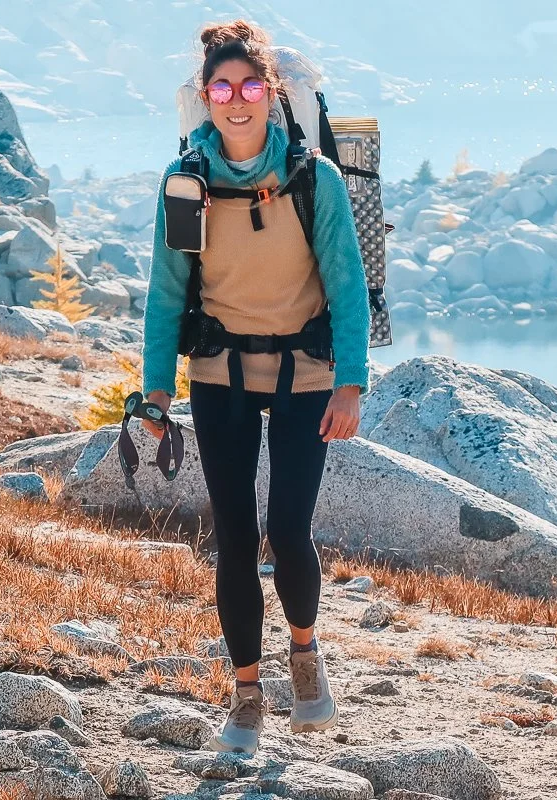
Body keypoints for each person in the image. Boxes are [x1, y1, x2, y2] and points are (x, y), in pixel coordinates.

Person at [140, 19, 371, 755]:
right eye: (221, 88)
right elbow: (165, 294)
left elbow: (348, 286)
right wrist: (154, 392)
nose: (235, 100)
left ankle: (303, 651)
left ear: (270, 94)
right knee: (235, 539)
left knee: (290, 531)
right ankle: (245, 698)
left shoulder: (315, 179)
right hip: (221, 375)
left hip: (306, 374)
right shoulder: (186, 185)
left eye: (248, 87)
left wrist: (351, 385)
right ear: (205, 98)